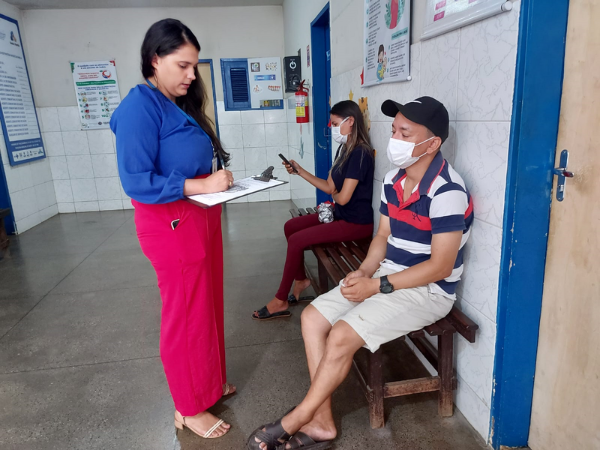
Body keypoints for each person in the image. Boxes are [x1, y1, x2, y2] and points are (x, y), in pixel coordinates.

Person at [247, 96, 474, 449]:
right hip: (385, 274)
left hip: (428, 290)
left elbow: (440, 266)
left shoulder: (448, 191)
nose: (395, 138)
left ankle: (296, 418)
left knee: (339, 335)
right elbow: (383, 235)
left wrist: (378, 285)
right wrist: (363, 271)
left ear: (433, 143)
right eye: (395, 129)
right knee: (311, 318)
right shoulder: (393, 179)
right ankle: (322, 422)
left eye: (405, 132)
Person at [110, 19, 235, 440]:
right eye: (183, 65)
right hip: (170, 225)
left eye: (194, 66)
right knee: (184, 316)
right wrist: (199, 184)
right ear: (155, 60)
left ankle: (209, 383)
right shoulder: (137, 108)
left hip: (199, 218)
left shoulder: (175, 106)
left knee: (207, 307)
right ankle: (188, 404)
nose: (191, 75)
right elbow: (135, 180)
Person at [252, 100, 375, 321]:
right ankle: (301, 280)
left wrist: (334, 196)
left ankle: (280, 299)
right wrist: (300, 171)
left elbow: (343, 197)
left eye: (336, 123)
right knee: (290, 226)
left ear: (351, 122)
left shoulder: (361, 153)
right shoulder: (344, 148)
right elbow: (330, 186)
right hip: (340, 214)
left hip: (356, 223)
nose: (332, 127)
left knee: (297, 240)